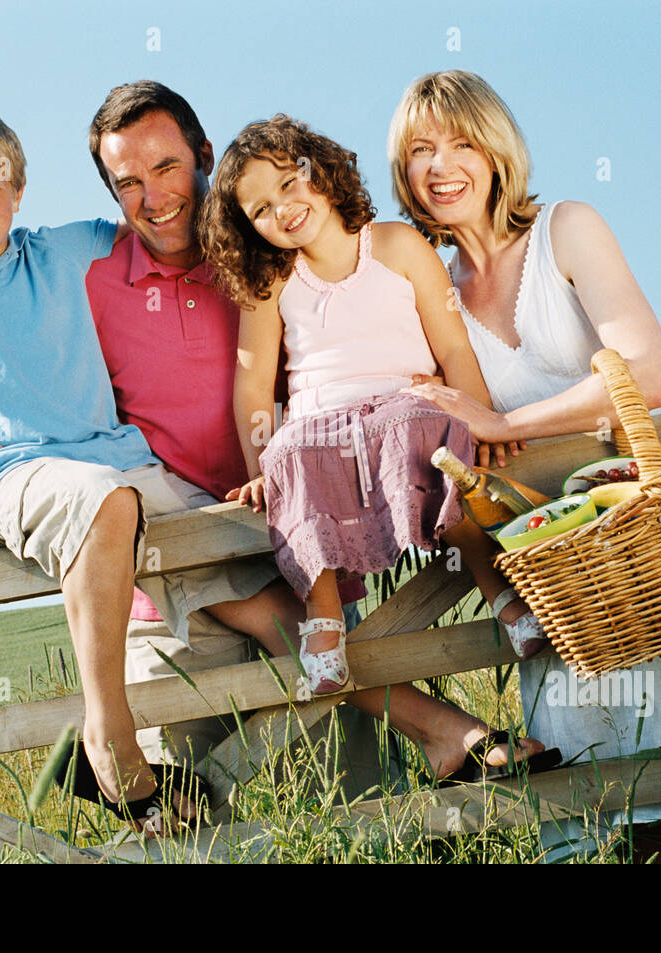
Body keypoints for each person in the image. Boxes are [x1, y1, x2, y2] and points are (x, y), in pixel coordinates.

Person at [0, 82, 545, 787]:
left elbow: (381, 351)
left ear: (205, 158)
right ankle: (447, 735)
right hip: (172, 596)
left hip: (311, 574)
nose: (153, 197)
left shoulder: (278, 260)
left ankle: (444, 737)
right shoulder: (88, 277)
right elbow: (7, 358)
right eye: (127, 183)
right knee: (191, 820)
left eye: (166, 169)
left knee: (366, 814)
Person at [392, 70, 661, 861]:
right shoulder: (425, 292)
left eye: (461, 141)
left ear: (497, 151)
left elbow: (648, 369)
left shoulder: (566, 228)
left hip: (655, 552)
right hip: (563, 588)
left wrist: (505, 421)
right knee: (633, 821)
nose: (441, 165)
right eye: (420, 149)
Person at [0, 104, 206, 837]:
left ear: (20, 192)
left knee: (257, 578)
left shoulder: (68, 248)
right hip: (9, 473)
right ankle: (108, 739)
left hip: (118, 457)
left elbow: (170, 228)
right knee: (100, 501)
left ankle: (442, 734)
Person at [197, 113, 549, 741]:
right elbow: (253, 389)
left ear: (319, 170)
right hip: (321, 429)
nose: (282, 209)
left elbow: (454, 350)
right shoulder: (270, 283)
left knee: (425, 423)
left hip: (400, 407)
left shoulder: (396, 246)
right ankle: (323, 617)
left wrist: (487, 418)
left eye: (288, 182)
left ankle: (501, 594)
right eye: (259, 209)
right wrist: (261, 475)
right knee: (291, 448)